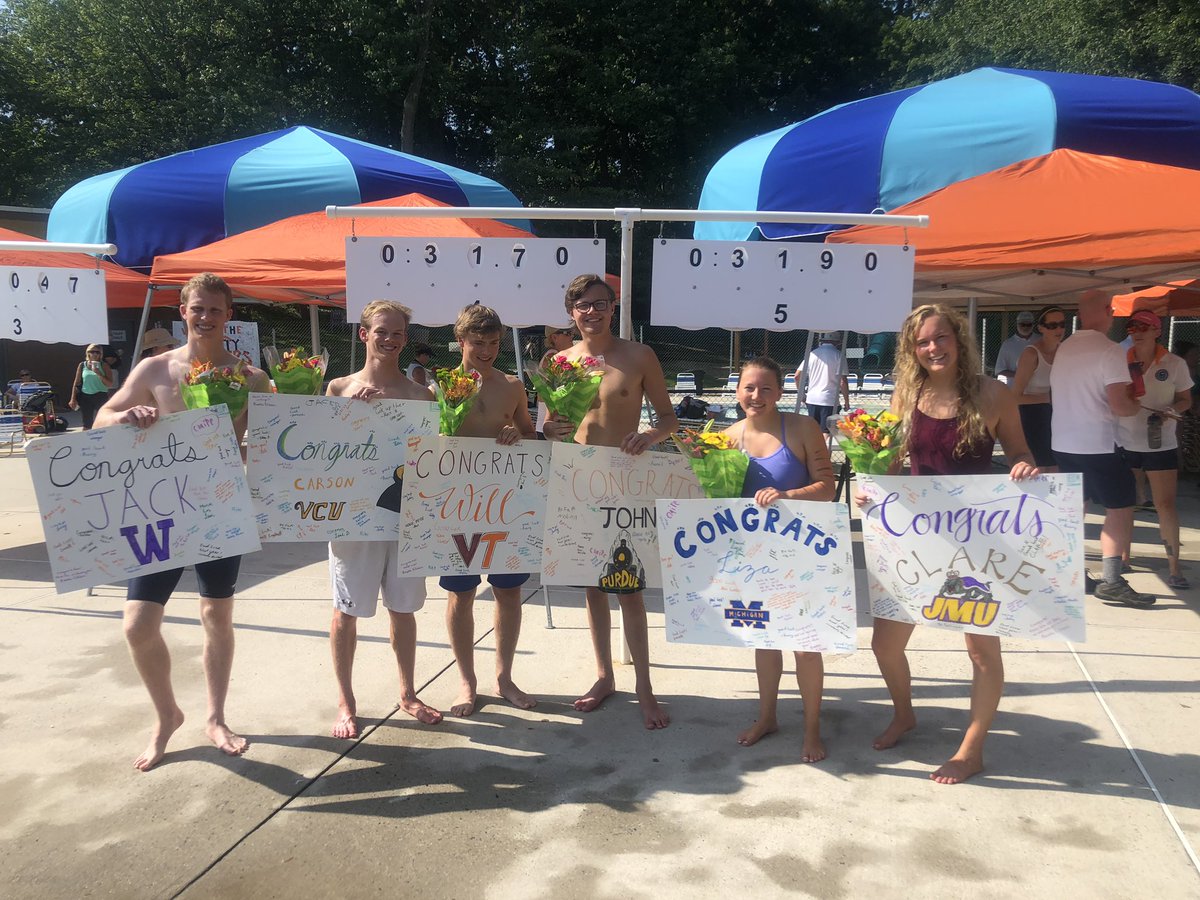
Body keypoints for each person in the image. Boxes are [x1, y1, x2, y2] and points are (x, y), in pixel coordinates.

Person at [94, 272, 270, 771]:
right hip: (159, 513)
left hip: (218, 508)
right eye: (198, 308)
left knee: (216, 615)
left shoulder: (250, 378)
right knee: (137, 625)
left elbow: (281, 442)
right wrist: (126, 418)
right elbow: (100, 418)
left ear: (228, 314)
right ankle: (167, 714)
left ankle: (215, 716)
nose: (206, 317)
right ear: (183, 310)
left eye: (215, 309)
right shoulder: (154, 370)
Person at [858, 303, 1039, 784]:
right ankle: (904, 713)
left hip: (976, 543)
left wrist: (1023, 466)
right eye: (922, 342)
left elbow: (1021, 451)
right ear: (911, 350)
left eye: (941, 338)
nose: (933, 348)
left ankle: (971, 749)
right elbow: (892, 463)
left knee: (982, 654)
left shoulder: (992, 394)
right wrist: (871, 487)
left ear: (959, 340)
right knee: (885, 645)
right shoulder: (905, 394)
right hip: (916, 542)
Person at [543, 273, 680, 729]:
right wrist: (549, 430)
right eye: (583, 305)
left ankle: (644, 685)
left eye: (600, 303)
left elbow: (668, 418)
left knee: (631, 589)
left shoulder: (639, 356)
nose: (592, 311)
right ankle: (604, 675)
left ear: (612, 307)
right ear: (571, 311)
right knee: (591, 587)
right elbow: (550, 424)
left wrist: (648, 436)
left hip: (625, 480)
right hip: (579, 481)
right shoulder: (559, 362)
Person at [325, 300, 443, 739]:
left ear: (405, 339)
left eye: (397, 333)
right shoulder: (338, 388)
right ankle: (346, 701)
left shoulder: (421, 396)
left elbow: (433, 461)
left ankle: (408, 692)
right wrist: (347, 415)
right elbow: (322, 455)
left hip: (405, 520)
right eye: (381, 331)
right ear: (364, 334)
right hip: (353, 519)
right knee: (345, 611)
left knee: (404, 609)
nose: (389, 339)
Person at [724, 356, 836, 761]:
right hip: (752, 561)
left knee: (806, 647)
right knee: (764, 640)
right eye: (749, 387)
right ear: (737, 392)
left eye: (766, 388)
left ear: (780, 392)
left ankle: (811, 729)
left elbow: (827, 486)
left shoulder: (803, 428)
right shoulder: (726, 437)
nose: (756, 395)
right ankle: (767, 717)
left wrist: (787, 497)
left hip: (803, 554)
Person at [442, 304, 539, 717]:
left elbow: (532, 436)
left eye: (494, 343)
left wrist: (517, 433)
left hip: (504, 503)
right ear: (460, 341)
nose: (486, 351)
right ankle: (467, 680)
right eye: (477, 343)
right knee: (461, 594)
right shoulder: (441, 387)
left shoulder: (512, 386)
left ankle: (504, 677)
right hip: (456, 503)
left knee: (509, 591)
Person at [1050, 290, 1155, 608]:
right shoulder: (1110, 351)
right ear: (1108, 311)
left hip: (1063, 441)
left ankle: (1071, 572)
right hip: (1098, 443)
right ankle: (1111, 579)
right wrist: (1135, 406)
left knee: (1074, 509)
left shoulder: (1065, 347)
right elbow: (1119, 405)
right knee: (1121, 507)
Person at [1117, 310, 1193, 588]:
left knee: (1165, 505)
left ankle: (1175, 568)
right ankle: (1122, 560)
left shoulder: (1174, 363)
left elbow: (1186, 400)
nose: (1136, 331)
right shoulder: (1119, 361)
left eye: (1143, 326)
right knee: (1124, 505)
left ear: (1157, 331)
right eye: (1131, 326)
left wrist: (1172, 409)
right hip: (1124, 440)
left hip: (1160, 443)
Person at [1010, 305, 1067, 471]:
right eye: (1052, 325)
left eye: (1062, 324)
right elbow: (1014, 396)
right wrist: (1048, 398)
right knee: (1037, 469)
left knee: (1057, 467)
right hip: (1031, 415)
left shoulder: (1064, 350)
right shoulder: (1031, 354)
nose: (1059, 329)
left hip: (1055, 414)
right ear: (1041, 328)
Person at [795, 334, 850, 430]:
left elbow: (797, 376)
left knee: (812, 430)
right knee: (827, 431)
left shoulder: (812, 354)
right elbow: (842, 382)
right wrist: (846, 401)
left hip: (812, 399)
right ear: (837, 342)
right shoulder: (838, 355)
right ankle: (823, 445)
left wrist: (802, 394)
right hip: (829, 399)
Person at [535, 324, 577, 436]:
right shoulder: (553, 357)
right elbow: (548, 395)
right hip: (549, 425)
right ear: (554, 337)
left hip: (553, 424)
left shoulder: (556, 356)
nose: (572, 336)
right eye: (567, 333)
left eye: (572, 333)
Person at [68, 343, 114, 430]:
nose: (94, 354)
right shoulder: (82, 365)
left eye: (97, 352)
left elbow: (110, 384)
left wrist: (98, 373)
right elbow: (76, 383)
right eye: (92, 352)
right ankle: (86, 441)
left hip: (100, 395)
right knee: (86, 423)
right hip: (86, 395)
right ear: (88, 353)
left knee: (103, 420)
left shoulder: (104, 365)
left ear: (101, 354)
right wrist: (72, 398)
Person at [993, 310, 1036, 383]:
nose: (1025, 327)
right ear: (1017, 324)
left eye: (1029, 325)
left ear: (1033, 325)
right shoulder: (1008, 344)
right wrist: (1020, 375)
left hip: (1037, 388)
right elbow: (1000, 370)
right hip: (1014, 387)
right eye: (1022, 324)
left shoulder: (1040, 340)